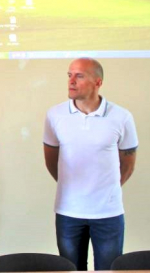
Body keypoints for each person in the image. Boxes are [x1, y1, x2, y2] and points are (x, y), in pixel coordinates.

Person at [43, 58, 138, 271]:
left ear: (98, 82)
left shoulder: (122, 117)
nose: (71, 81)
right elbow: (51, 160)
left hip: (108, 213)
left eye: (79, 76)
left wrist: (107, 189)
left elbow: (128, 163)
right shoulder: (54, 115)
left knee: (108, 269)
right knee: (71, 269)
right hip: (68, 211)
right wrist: (71, 186)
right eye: (69, 75)